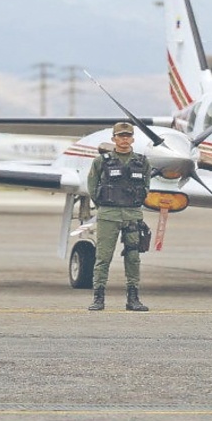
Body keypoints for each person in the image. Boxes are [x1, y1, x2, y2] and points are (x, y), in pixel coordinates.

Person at [86, 121, 152, 311]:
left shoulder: (142, 161)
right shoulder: (101, 161)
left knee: (133, 257)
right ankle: (98, 297)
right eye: (120, 136)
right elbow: (92, 186)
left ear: (132, 138)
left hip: (132, 215)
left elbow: (146, 186)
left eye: (127, 136)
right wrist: (104, 206)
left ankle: (133, 298)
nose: (124, 139)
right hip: (109, 215)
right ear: (113, 138)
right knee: (103, 257)